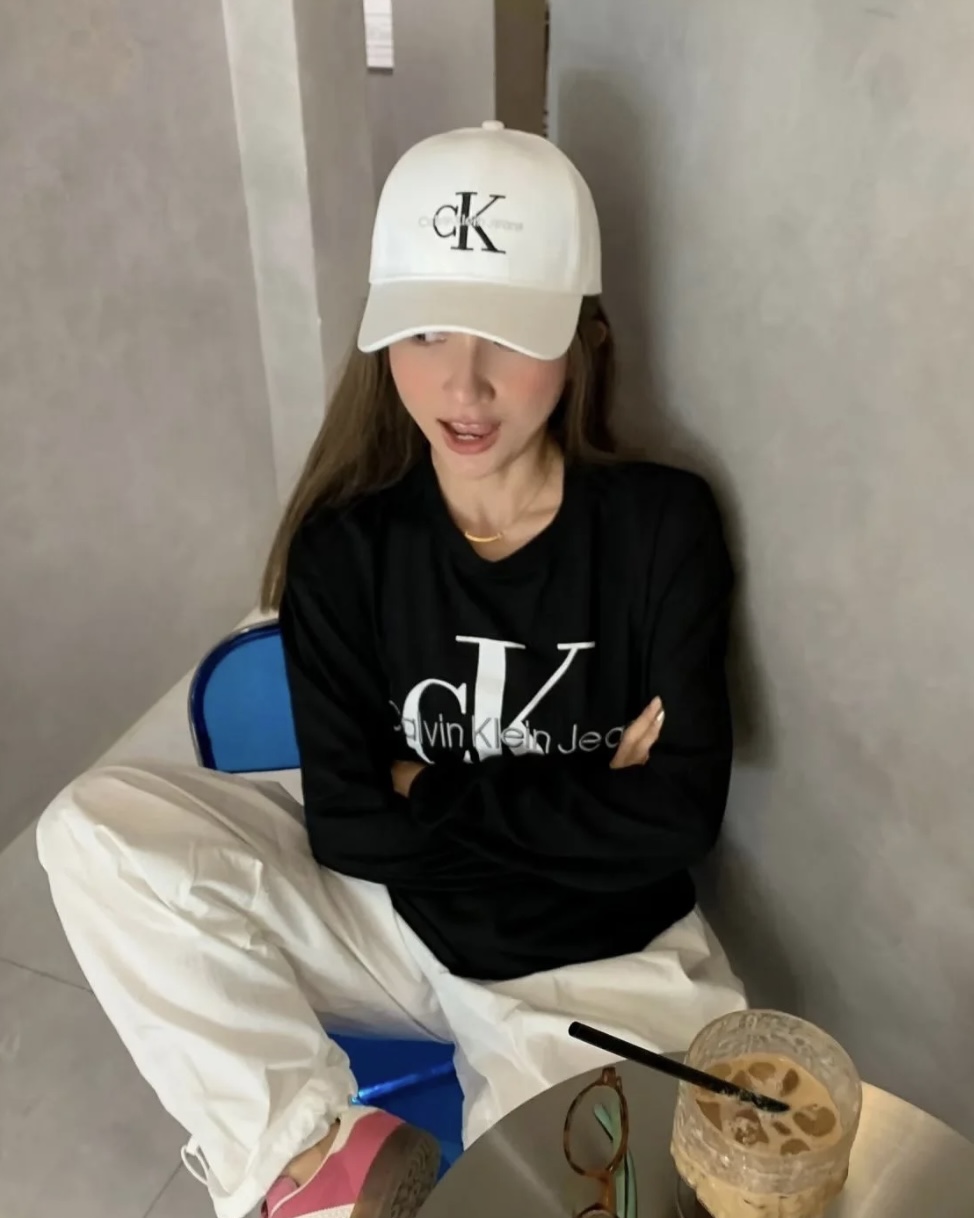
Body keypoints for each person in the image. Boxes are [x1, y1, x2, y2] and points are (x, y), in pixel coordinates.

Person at [37, 121, 746, 1218]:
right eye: (423, 332)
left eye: (505, 336)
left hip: (598, 965)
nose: (462, 384)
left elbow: (677, 820)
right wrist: (583, 795)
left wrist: (424, 786)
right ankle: (315, 1160)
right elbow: (348, 832)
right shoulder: (346, 548)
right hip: (394, 920)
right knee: (93, 831)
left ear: (583, 340)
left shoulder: (659, 527)